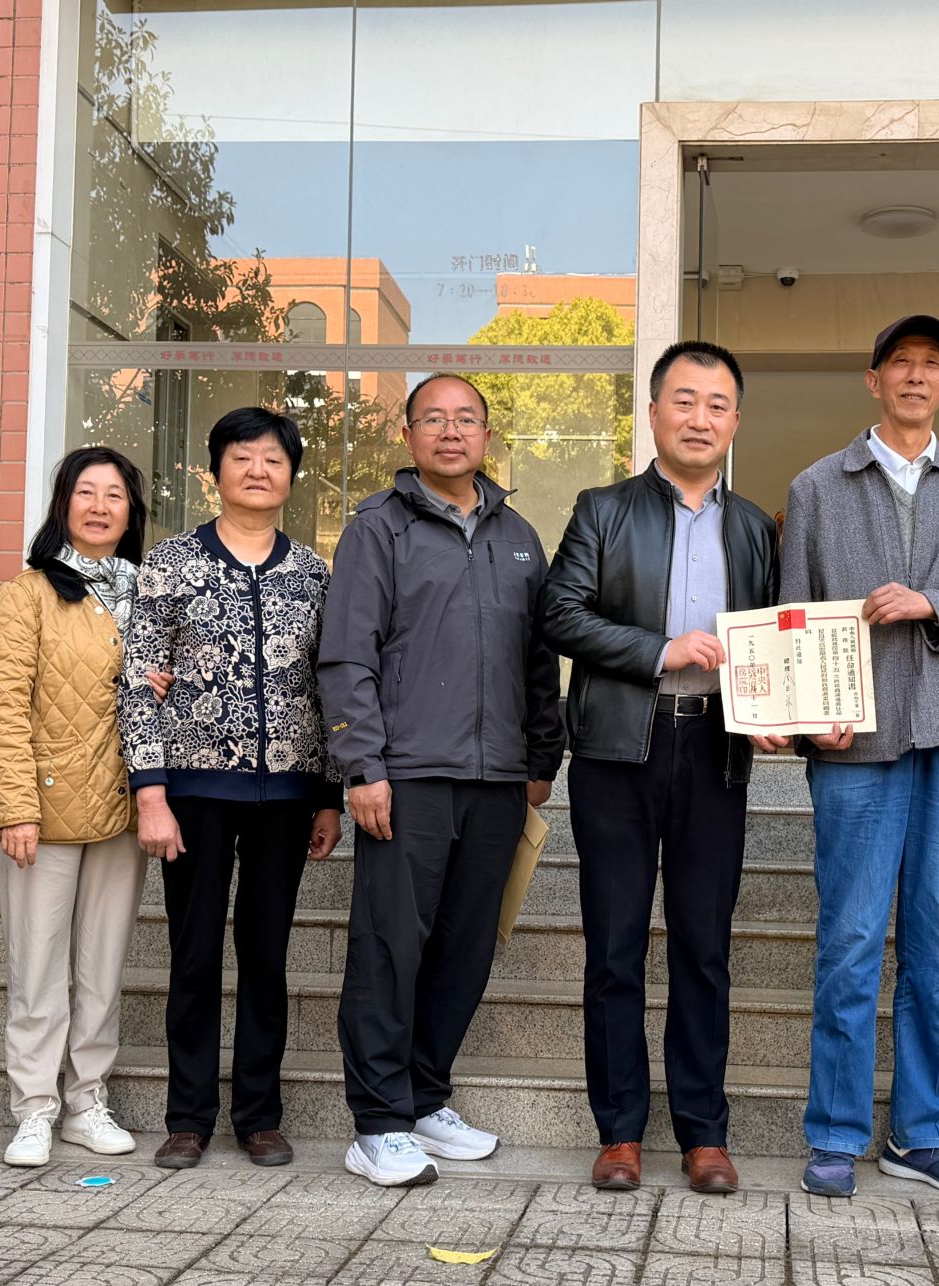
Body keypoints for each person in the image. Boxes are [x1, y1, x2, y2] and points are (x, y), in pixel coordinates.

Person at [775, 315, 939, 1199]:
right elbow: (792, 613)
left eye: (932, 365)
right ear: (872, 380)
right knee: (847, 944)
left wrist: (930, 604)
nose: (916, 376)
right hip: (856, 749)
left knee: (932, 949)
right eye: (900, 363)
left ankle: (921, 1133)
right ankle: (836, 1131)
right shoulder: (817, 486)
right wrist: (809, 717)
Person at [540, 341, 779, 1194]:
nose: (699, 418)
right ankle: (620, 1133)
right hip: (618, 749)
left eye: (716, 404)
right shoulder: (602, 510)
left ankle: (704, 1134)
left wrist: (775, 712)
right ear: (653, 413)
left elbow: (771, 636)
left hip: (715, 749)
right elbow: (559, 613)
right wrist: (659, 649)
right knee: (614, 947)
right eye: (684, 400)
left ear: (735, 421)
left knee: (704, 948)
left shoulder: (754, 528)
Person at [319, 374, 566, 1188]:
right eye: (434, 418)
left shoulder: (519, 536)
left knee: (465, 949)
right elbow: (347, 656)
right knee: (391, 947)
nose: (451, 431)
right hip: (408, 776)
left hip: (497, 780)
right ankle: (377, 1123)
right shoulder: (377, 529)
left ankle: (425, 1099)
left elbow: (538, 659)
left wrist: (541, 760)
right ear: (408, 434)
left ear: (487, 435)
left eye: (466, 419)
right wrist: (363, 767)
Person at [119, 407, 344, 1170]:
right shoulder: (171, 562)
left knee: (266, 954)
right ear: (215, 470)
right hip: (193, 794)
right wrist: (150, 791)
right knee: (193, 954)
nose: (258, 470)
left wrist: (329, 795)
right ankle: (188, 1117)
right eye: (243, 456)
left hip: (288, 794)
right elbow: (138, 682)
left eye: (274, 460)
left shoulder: (314, 573)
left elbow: (327, 687)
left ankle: (259, 1115)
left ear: (291, 477)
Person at [0, 446, 154, 1167]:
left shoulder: (150, 592)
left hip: (124, 806)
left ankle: (87, 1102)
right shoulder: (28, 594)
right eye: (86, 492)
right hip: (46, 811)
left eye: (115, 495)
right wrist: (14, 806)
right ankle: (33, 1109)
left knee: (101, 967)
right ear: (62, 504)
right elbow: (2, 704)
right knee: (38, 969)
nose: (100, 506)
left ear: (131, 511)